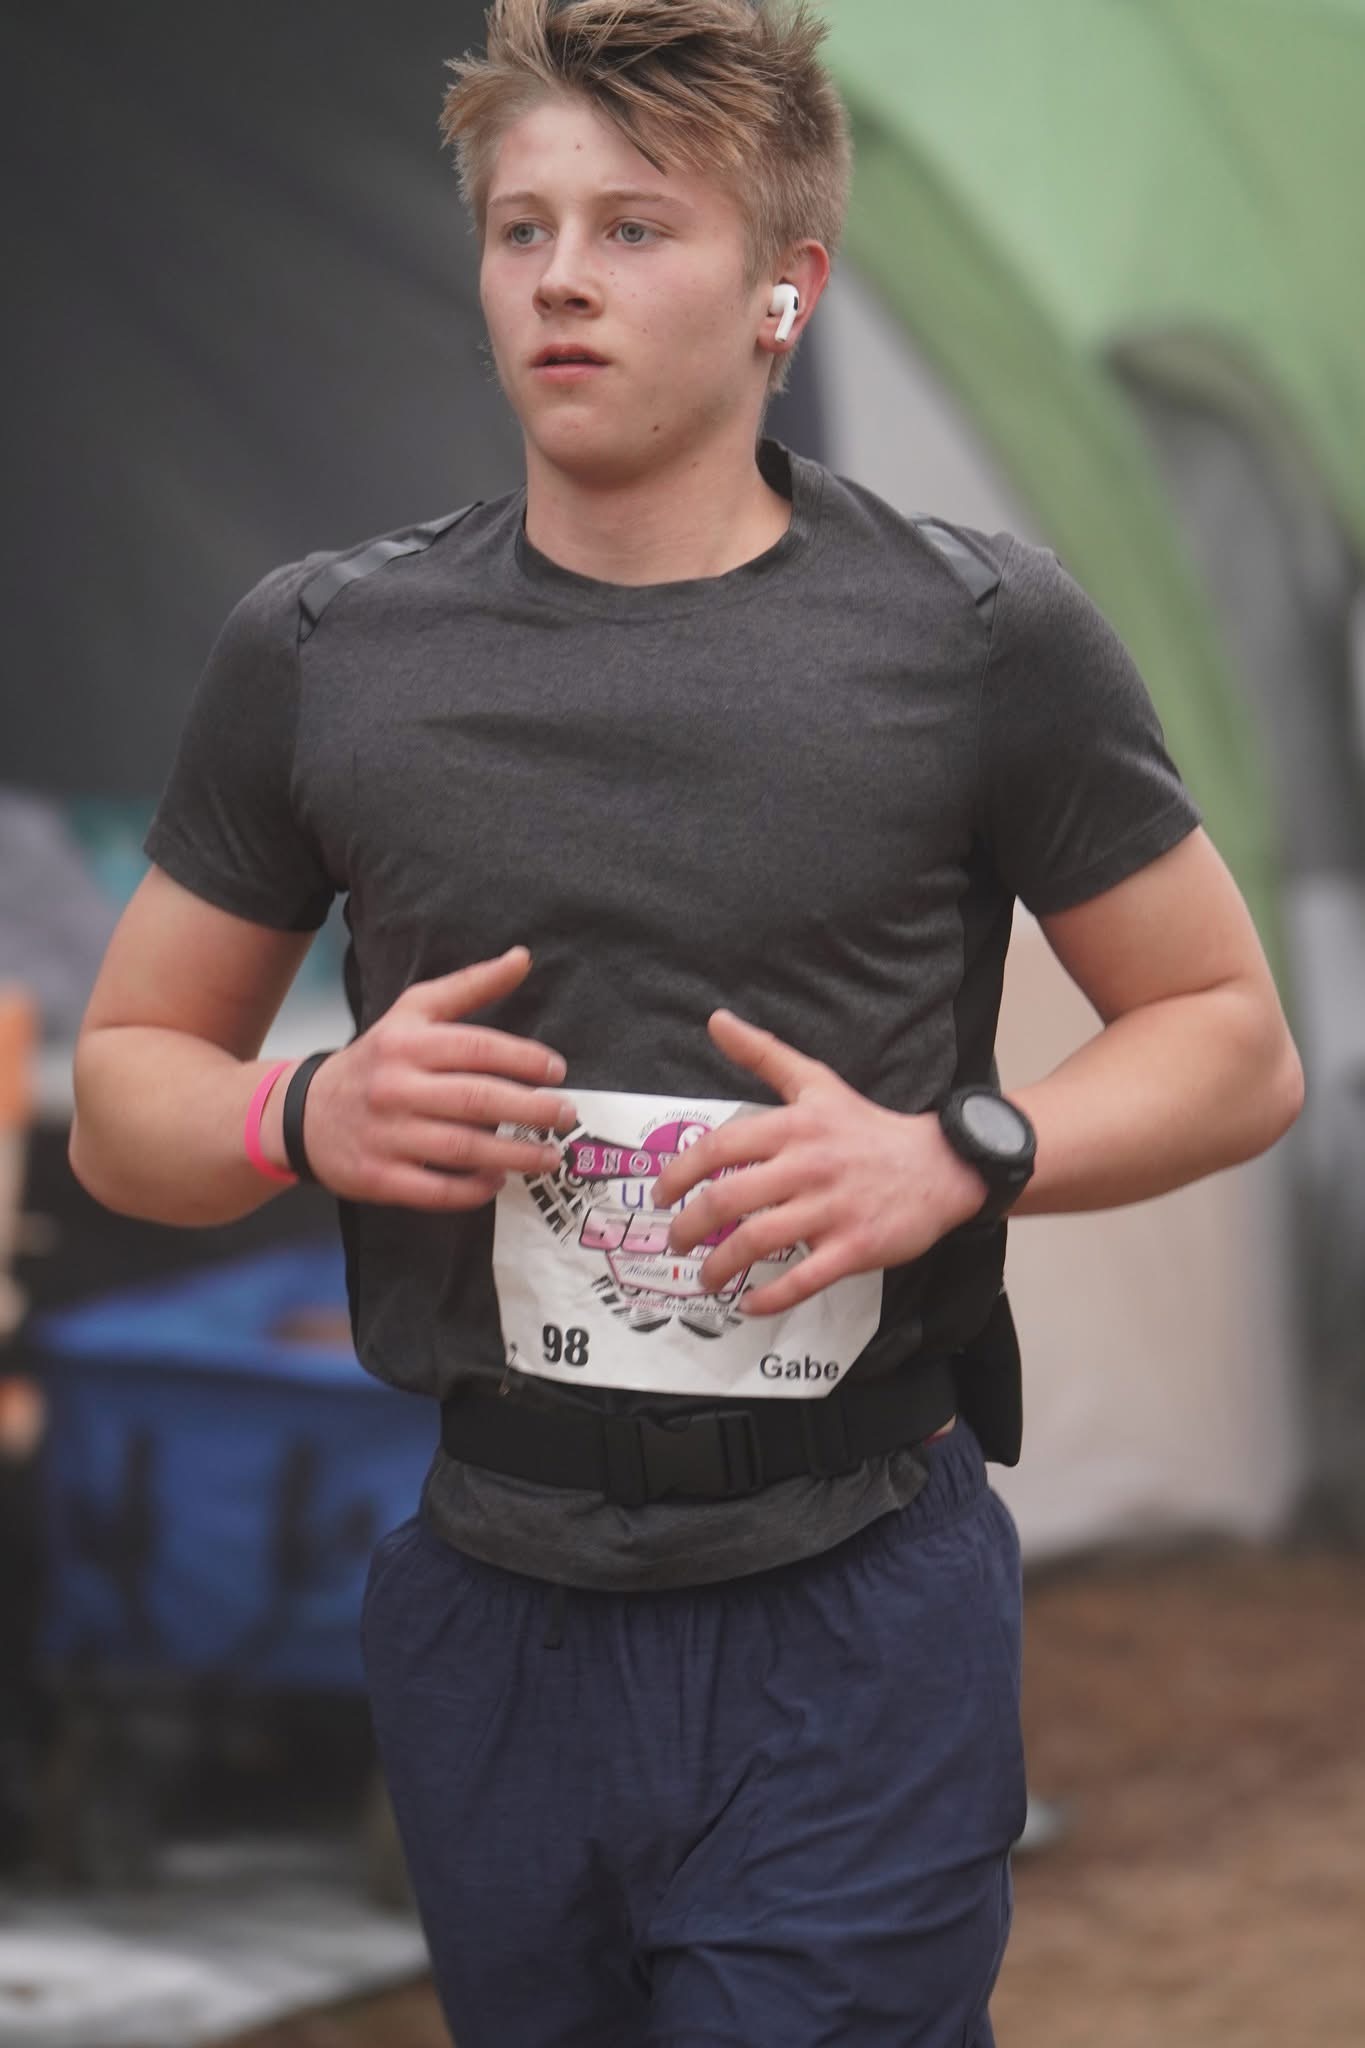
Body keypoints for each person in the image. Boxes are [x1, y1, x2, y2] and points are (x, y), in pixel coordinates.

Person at [69, 2, 1304, 2041]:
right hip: (489, 1602)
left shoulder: (975, 634)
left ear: (781, 290)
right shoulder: (322, 647)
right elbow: (127, 1098)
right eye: (521, 227)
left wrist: (960, 1150)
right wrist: (306, 1112)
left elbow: (1226, 1035)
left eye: (634, 228)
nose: (559, 276)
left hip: (852, 1596)